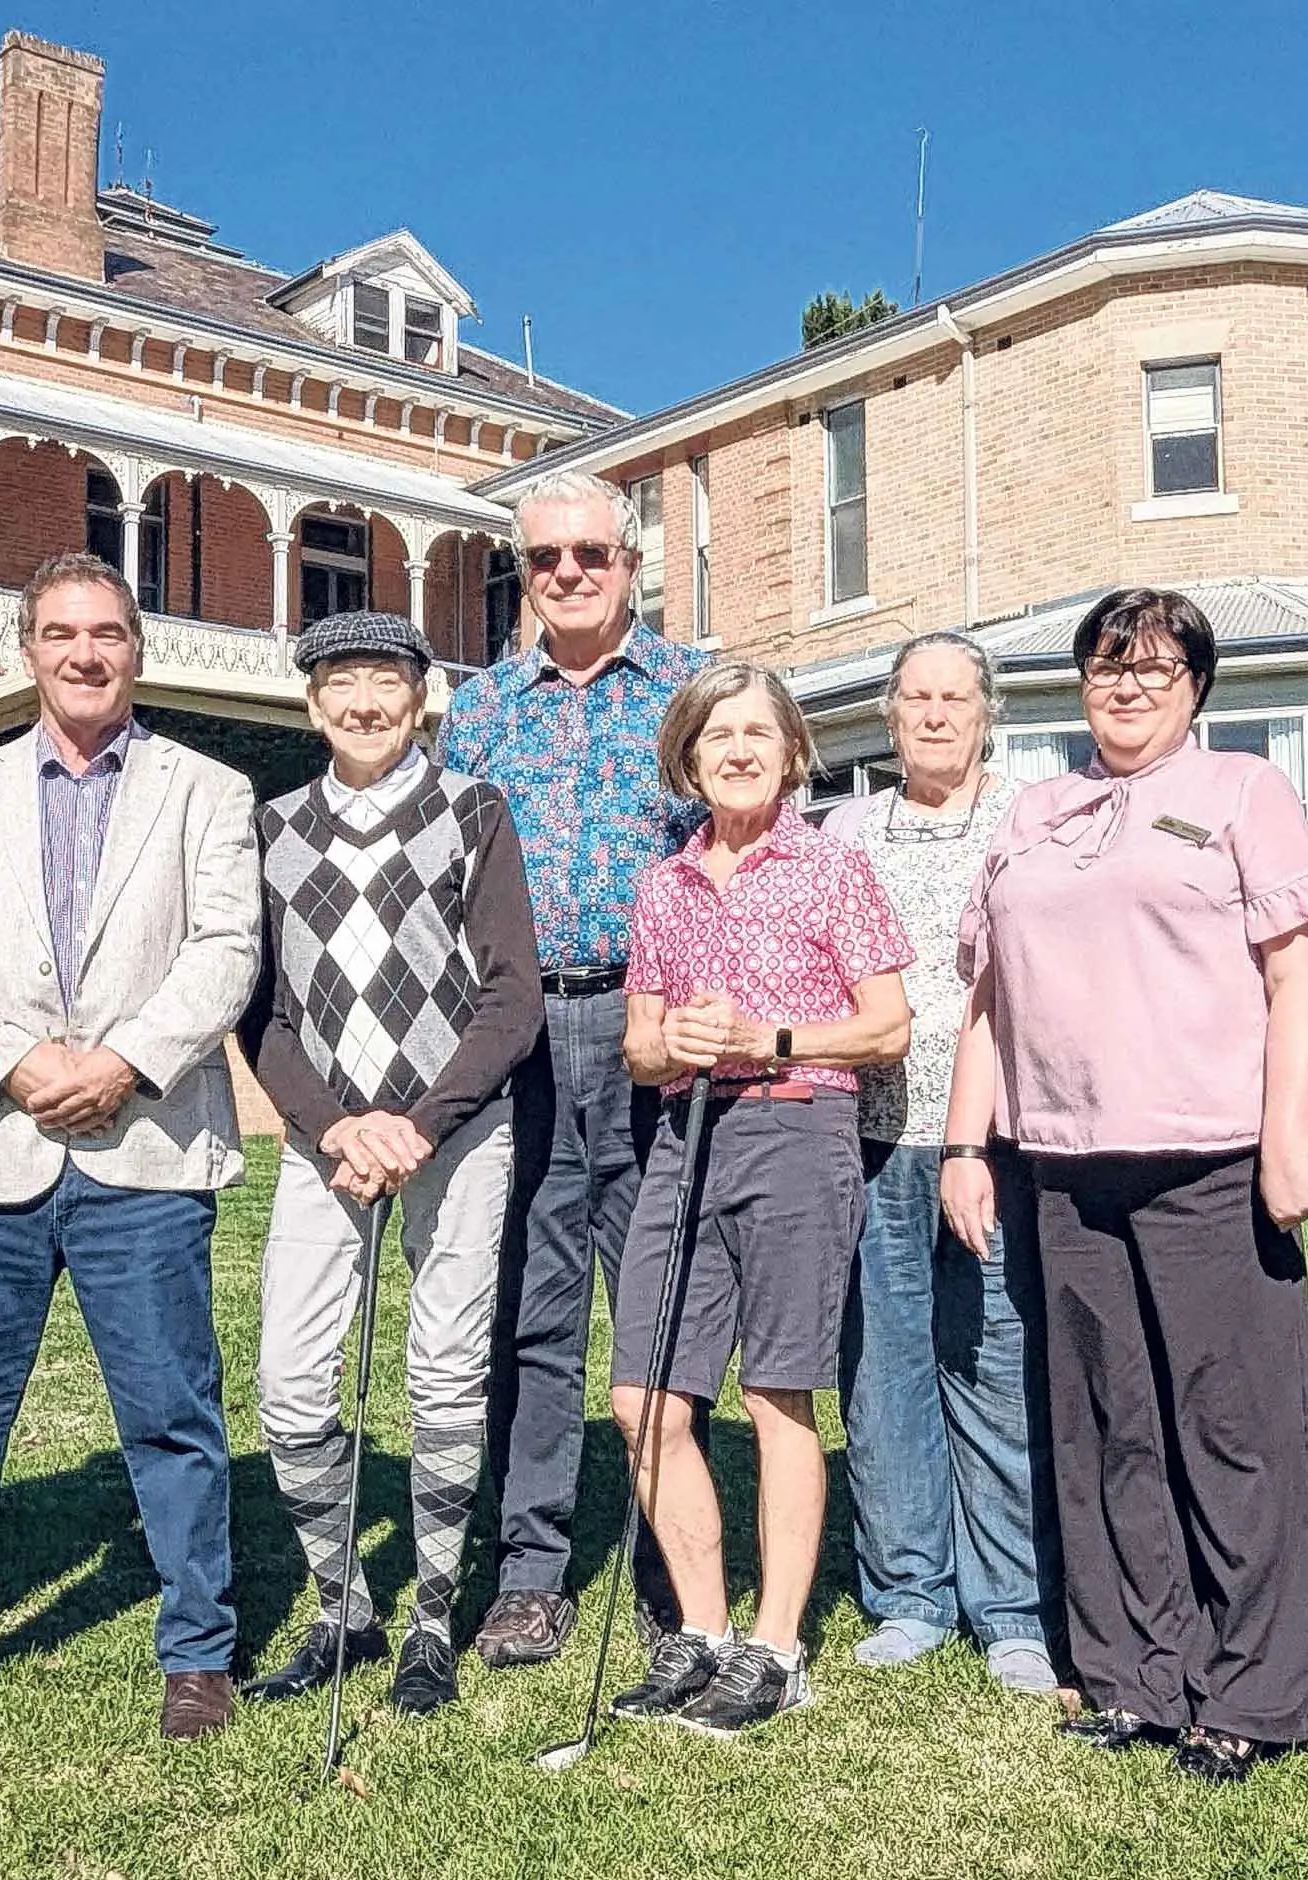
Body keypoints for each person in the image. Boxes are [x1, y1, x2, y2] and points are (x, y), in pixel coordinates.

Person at [941, 586, 1308, 1782]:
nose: (1127, 685)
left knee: (1229, 1433)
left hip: (1208, 1162)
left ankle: (1250, 1692)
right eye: (1106, 667)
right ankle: (1131, 1674)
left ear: (1195, 687)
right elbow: (986, 999)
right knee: (1108, 1428)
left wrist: (1288, 1142)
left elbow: (1297, 983)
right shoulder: (1034, 810)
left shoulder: (1241, 796)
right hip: (1064, 1168)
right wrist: (968, 1148)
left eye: (1154, 668)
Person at [0, 553, 262, 1750]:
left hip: (145, 1150)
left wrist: (122, 1063)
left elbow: (225, 948)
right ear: (26, 651)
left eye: (108, 635)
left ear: (137, 652)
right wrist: (18, 1066)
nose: (86, 654)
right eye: (61, 634)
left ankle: (198, 1650)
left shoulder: (208, 790)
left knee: (174, 1415)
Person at [237, 611, 542, 1717]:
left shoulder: (471, 814)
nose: (363, 702)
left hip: (454, 1131)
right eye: (341, 683)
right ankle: (340, 1603)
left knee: (445, 1373)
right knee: (287, 1383)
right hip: (328, 1145)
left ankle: (428, 1619)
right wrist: (333, 1129)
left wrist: (419, 1118)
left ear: (421, 698)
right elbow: (263, 1014)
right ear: (311, 703)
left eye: (385, 682)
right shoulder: (270, 827)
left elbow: (512, 994)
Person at [437, 470, 710, 1668]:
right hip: (521, 1035)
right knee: (531, 1311)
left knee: (657, 1304)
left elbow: (738, 855)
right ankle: (531, 1570)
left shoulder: (695, 693)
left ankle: (671, 1573)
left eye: (588, 555)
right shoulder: (480, 711)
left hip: (655, 1032)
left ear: (629, 563)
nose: (565, 575)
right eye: (543, 559)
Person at [607, 660, 912, 1733]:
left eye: (756, 734)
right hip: (687, 1135)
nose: (736, 751)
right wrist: (667, 1044)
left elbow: (886, 1027)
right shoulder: (662, 884)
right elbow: (639, 1045)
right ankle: (700, 1632)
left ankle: (777, 1649)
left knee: (777, 1394)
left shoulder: (830, 869)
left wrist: (764, 1037)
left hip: (797, 1126)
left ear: (791, 751)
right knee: (643, 1396)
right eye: (714, 736)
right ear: (685, 759)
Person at [820, 633, 1054, 1696]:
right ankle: (908, 1590)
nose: (932, 715)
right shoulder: (847, 827)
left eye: (954, 697)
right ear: (889, 711)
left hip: (992, 1140)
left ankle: (1009, 1607)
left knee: (993, 1363)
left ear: (985, 712)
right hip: (868, 1136)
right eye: (914, 696)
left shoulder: (1032, 820)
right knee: (883, 1374)